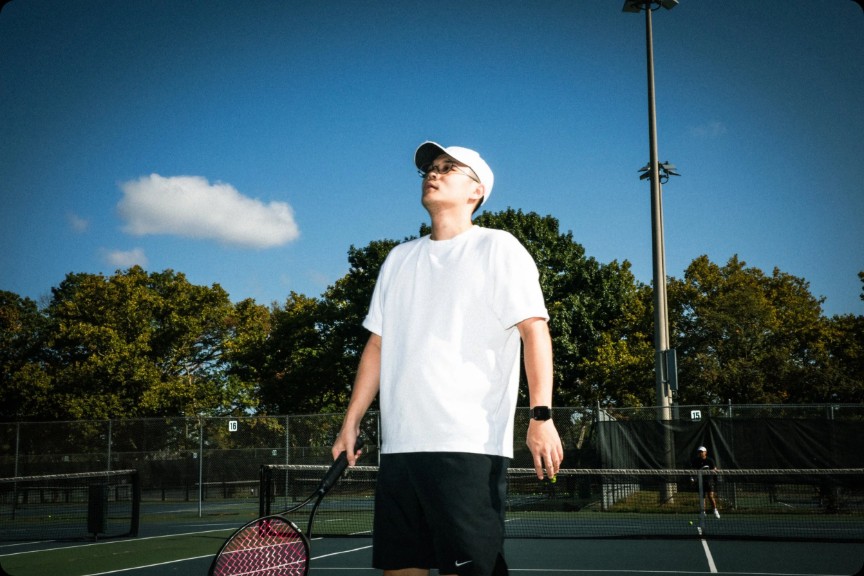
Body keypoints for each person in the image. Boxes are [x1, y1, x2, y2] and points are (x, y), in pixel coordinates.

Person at [332, 141, 564, 576]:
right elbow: (377, 346)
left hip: (467, 447)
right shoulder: (398, 259)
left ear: (476, 192)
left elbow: (535, 331)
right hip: (399, 449)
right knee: (401, 569)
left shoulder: (499, 247)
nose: (432, 174)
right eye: (429, 168)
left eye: (447, 168)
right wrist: (351, 421)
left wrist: (541, 415)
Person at [692, 446, 720, 518]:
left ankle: (715, 510)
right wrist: (693, 478)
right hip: (700, 481)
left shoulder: (710, 460)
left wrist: (713, 470)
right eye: (699, 452)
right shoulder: (696, 461)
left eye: (702, 452)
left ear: (705, 452)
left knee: (710, 496)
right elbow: (693, 470)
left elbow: (715, 469)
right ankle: (703, 512)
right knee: (702, 497)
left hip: (709, 481)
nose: (700, 453)